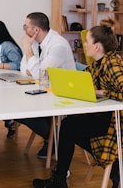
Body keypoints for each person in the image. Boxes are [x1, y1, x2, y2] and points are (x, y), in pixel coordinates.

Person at [33, 19, 123, 188]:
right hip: (103, 117)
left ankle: (59, 180)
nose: (84, 44)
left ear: (97, 46)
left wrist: (104, 93)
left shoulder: (112, 64)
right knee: (70, 128)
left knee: (69, 127)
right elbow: (82, 80)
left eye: (87, 41)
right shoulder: (98, 64)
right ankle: (115, 170)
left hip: (114, 123)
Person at [17, 12, 76, 158]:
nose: (24, 30)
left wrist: (28, 50)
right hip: (45, 89)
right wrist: (35, 68)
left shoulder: (58, 45)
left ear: (35, 30)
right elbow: (23, 68)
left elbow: (39, 74)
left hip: (62, 94)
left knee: (24, 112)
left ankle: (54, 139)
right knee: (18, 110)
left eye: (26, 27)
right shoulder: (37, 43)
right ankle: (51, 138)